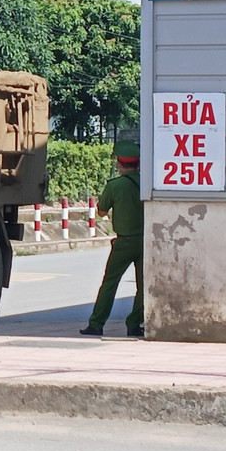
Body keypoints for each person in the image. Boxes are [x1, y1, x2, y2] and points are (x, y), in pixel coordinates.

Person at [80, 140, 144, 339]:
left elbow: (101, 211)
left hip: (124, 242)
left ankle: (97, 323)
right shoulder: (147, 183)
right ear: (138, 164)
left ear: (119, 164)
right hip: (145, 241)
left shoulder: (115, 186)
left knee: (110, 283)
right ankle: (134, 324)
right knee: (143, 286)